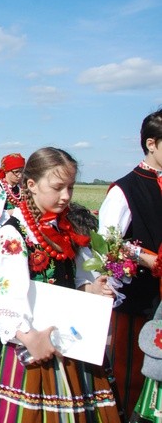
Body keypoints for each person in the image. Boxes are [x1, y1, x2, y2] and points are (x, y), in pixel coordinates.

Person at [0, 147, 120, 422]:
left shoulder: (65, 230)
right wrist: (28, 337)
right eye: (58, 187)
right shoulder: (11, 235)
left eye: (71, 187)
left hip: (68, 341)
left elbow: (71, 282)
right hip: (24, 345)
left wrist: (92, 289)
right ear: (31, 184)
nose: (66, 195)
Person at [99, 107, 162, 418]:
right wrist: (144, 257)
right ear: (151, 143)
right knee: (132, 371)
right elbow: (107, 243)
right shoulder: (126, 188)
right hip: (139, 297)